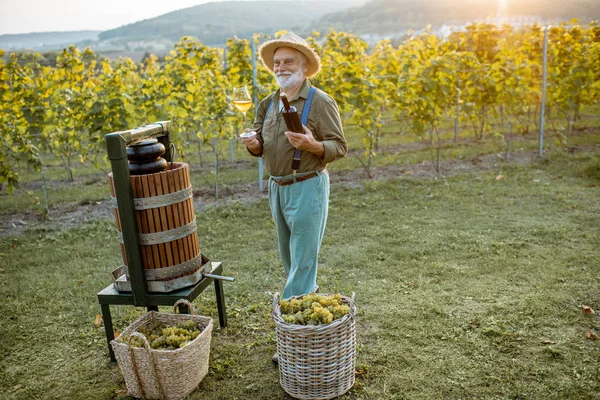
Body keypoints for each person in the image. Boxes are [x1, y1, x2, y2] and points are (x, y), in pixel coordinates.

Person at [240, 32, 347, 303]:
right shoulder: (268, 103)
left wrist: (313, 145)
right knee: (290, 257)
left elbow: (339, 147)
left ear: (304, 66)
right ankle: (307, 303)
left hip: (307, 185)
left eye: (288, 62)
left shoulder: (320, 101)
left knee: (303, 260)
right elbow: (259, 145)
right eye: (277, 63)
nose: (281, 68)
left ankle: (292, 318)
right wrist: (252, 144)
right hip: (277, 187)